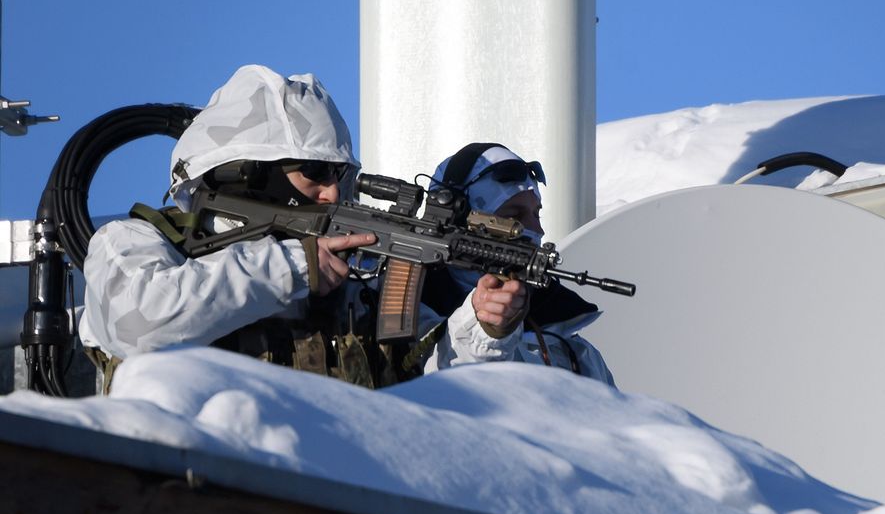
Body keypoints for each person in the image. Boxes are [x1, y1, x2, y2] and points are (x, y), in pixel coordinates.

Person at [78, 66, 527, 390]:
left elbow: (435, 385)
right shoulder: (137, 243)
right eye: (315, 172)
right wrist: (293, 267)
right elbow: (138, 324)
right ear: (250, 174)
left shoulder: (350, 287)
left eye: (340, 177)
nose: (332, 194)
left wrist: (481, 328)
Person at [424, 142, 614, 385]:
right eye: (513, 217)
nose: (537, 230)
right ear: (463, 222)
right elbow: (426, 384)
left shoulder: (573, 350)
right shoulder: (399, 310)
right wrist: (485, 329)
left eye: (536, 214)